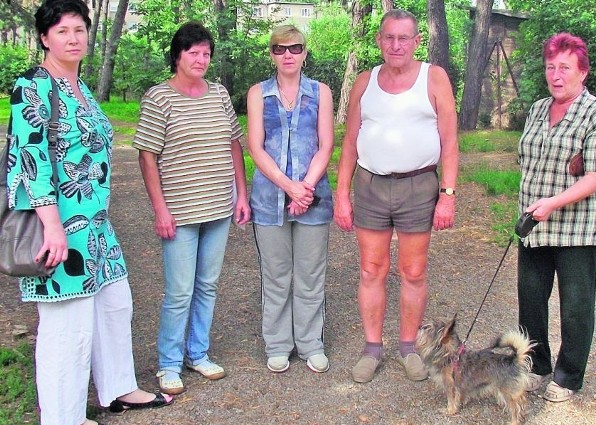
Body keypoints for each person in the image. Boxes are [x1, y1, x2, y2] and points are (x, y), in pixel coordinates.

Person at [5, 0, 173, 425]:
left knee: (116, 306)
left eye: (79, 29)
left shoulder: (80, 87)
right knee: (67, 325)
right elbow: (29, 160)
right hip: (58, 225)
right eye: (62, 31)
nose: (73, 38)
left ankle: (119, 388)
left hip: (95, 224)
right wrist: (53, 226)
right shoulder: (34, 86)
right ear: (45, 38)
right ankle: (63, 418)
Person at [334, 9, 459, 384]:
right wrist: (342, 194)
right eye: (389, 37)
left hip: (418, 187)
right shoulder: (364, 81)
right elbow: (351, 142)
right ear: (379, 40)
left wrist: (447, 194)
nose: (396, 45)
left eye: (404, 38)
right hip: (371, 186)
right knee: (372, 269)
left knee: (413, 271)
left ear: (417, 41)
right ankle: (372, 348)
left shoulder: (433, 78)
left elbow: (450, 142)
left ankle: (408, 346)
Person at [134, 22, 250, 395]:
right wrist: (160, 210)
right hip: (180, 213)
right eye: (193, 52)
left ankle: (197, 353)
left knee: (208, 286)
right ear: (178, 55)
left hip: (218, 206)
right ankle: (168, 363)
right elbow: (148, 157)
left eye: (206, 53)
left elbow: (235, 145)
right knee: (179, 291)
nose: (200, 59)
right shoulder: (159, 98)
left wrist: (241, 196)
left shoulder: (218, 95)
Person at [518, 32, 596, 402]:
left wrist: (553, 202)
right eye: (550, 67)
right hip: (534, 223)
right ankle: (538, 366)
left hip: (578, 226)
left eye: (564, 68)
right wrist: (534, 207)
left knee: (576, 306)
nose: (556, 75)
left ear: (583, 72)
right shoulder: (538, 108)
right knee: (530, 300)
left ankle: (568, 377)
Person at [246, 25, 334, 373]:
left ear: (304, 53)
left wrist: (305, 188)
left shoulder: (321, 92)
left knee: (311, 275)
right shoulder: (258, 94)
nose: (288, 55)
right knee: (277, 275)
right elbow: (256, 146)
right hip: (270, 198)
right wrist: (288, 187)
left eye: (295, 48)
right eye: (280, 49)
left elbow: (326, 144)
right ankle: (279, 344)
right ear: (272, 54)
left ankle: (311, 343)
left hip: (314, 198)